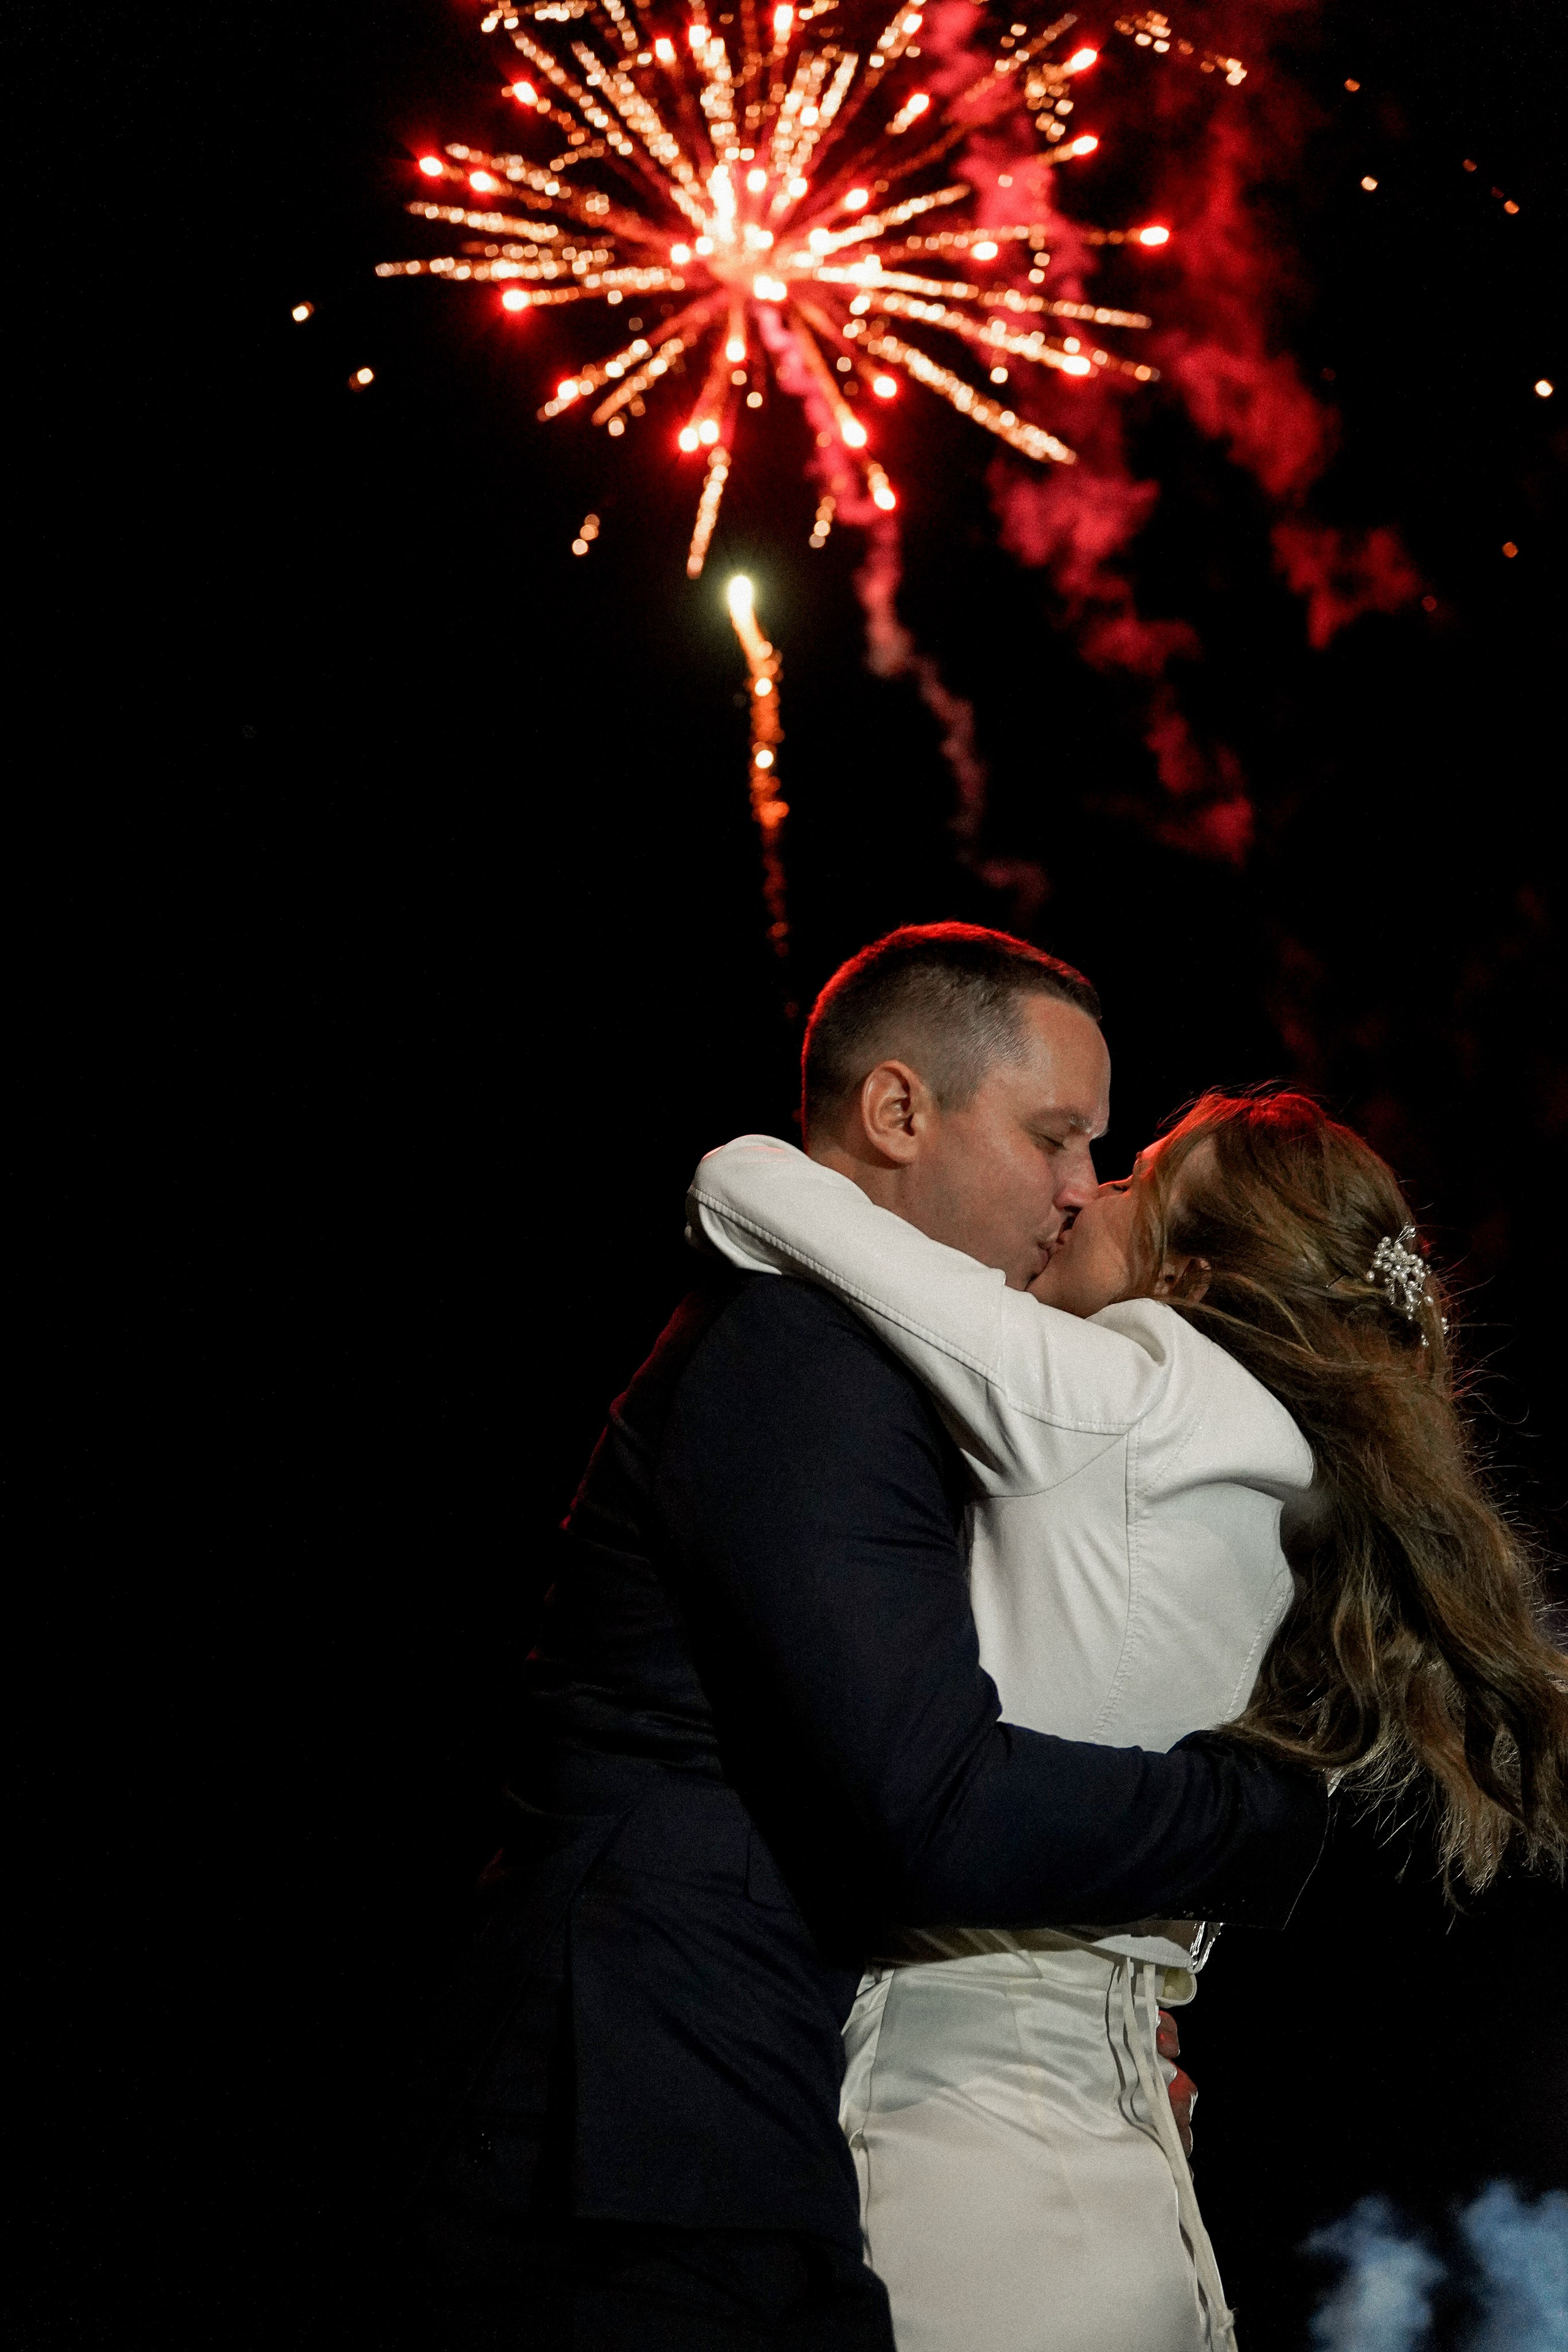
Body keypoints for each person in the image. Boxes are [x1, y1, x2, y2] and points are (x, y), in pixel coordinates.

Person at [402, 925, 1332, 2351]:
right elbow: (931, 1802)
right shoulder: (801, 1354)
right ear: (899, 1112)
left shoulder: (872, 1362)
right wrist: (1260, 1816)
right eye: (1054, 1137)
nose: (1081, 1191)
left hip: (706, 2106)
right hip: (630, 2117)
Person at [688, 1089, 1568, 2351]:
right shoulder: (1285, 1468)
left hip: (969, 2147)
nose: (1078, 1191)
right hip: (1111, 2153)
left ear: (1184, 1266)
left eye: (1130, 1177)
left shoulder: (1122, 1391)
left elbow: (742, 1184)